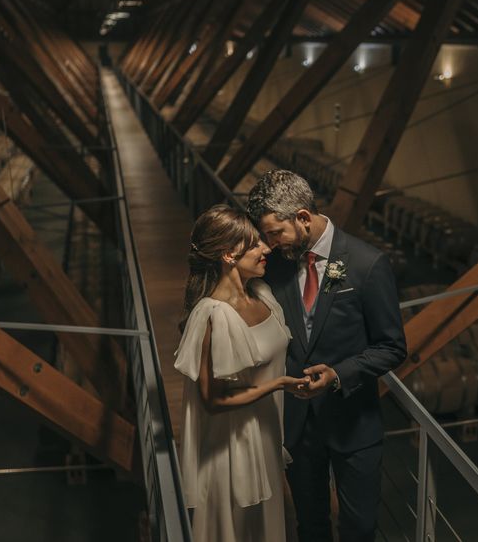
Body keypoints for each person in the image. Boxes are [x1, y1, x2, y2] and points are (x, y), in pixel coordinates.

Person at [247, 170, 407, 542]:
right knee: (311, 527)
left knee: (359, 529)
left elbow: (392, 347)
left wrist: (338, 374)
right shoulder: (280, 265)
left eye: (275, 233)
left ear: (303, 217)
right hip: (299, 429)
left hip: (354, 424)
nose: (270, 244)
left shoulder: (367, 264)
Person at [173, 204, 307, 541]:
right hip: (231, 454)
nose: (266, 249)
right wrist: (278, 384)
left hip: (267, 438)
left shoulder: (263, 295)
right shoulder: (212, 315)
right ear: (228, 255)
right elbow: (213, 400)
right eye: (254, 244)